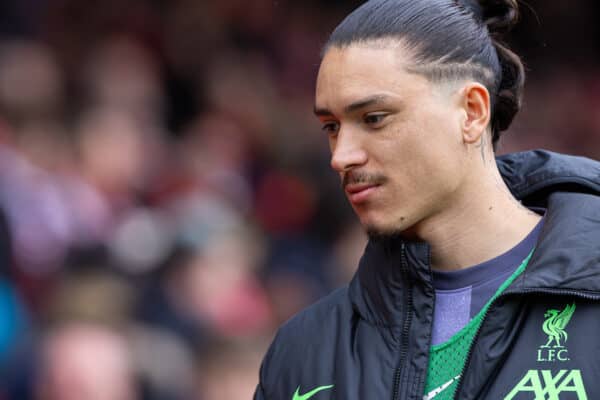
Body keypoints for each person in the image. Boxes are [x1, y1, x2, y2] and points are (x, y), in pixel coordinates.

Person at [254, 0, 600, 399]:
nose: (341, 156)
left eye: (374, 118)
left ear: (472, 112)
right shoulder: (300, 353)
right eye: (331, 126)